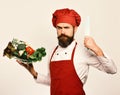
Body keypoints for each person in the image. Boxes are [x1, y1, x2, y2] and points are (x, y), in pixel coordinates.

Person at [17, 8, 117, 95]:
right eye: (59, 28)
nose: (62, 32)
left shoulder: (83, 51)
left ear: (75, 29)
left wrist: (96, 48)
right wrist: (32, 72)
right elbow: (53, 81)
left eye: (66, 27)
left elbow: (112, 70)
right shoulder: (52, 52)